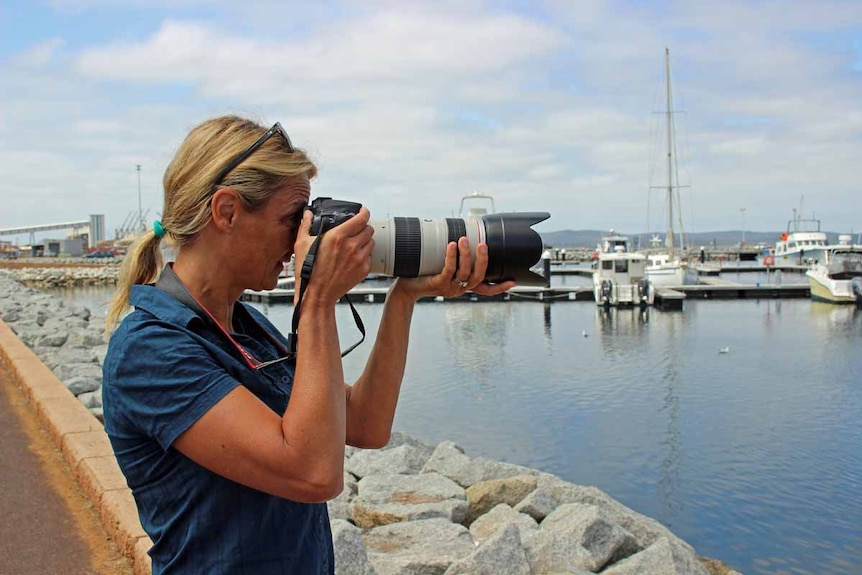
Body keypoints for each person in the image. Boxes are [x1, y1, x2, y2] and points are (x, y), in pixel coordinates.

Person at [102, 115, 514, 574]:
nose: (300, 239)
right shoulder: (151, 351)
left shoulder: (243, 328)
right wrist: (317, 298)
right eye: (291, 219)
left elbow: (365, 425)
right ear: (227, 211)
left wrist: (406, 295)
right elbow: (313, 472)